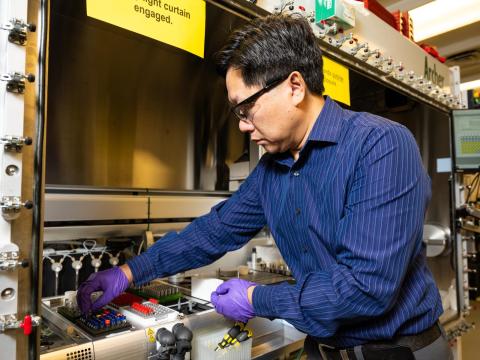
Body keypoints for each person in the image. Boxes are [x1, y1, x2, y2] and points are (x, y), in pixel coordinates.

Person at [77, 15, 452, 359]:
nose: (242, 124)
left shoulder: (381, 145)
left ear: (293, 86)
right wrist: (128, 273)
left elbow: (364, 288)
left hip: (397, 352)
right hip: (324, 350)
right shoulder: (275, 168)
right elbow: (215, 231)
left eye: (246, 108)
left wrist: (257, 298)